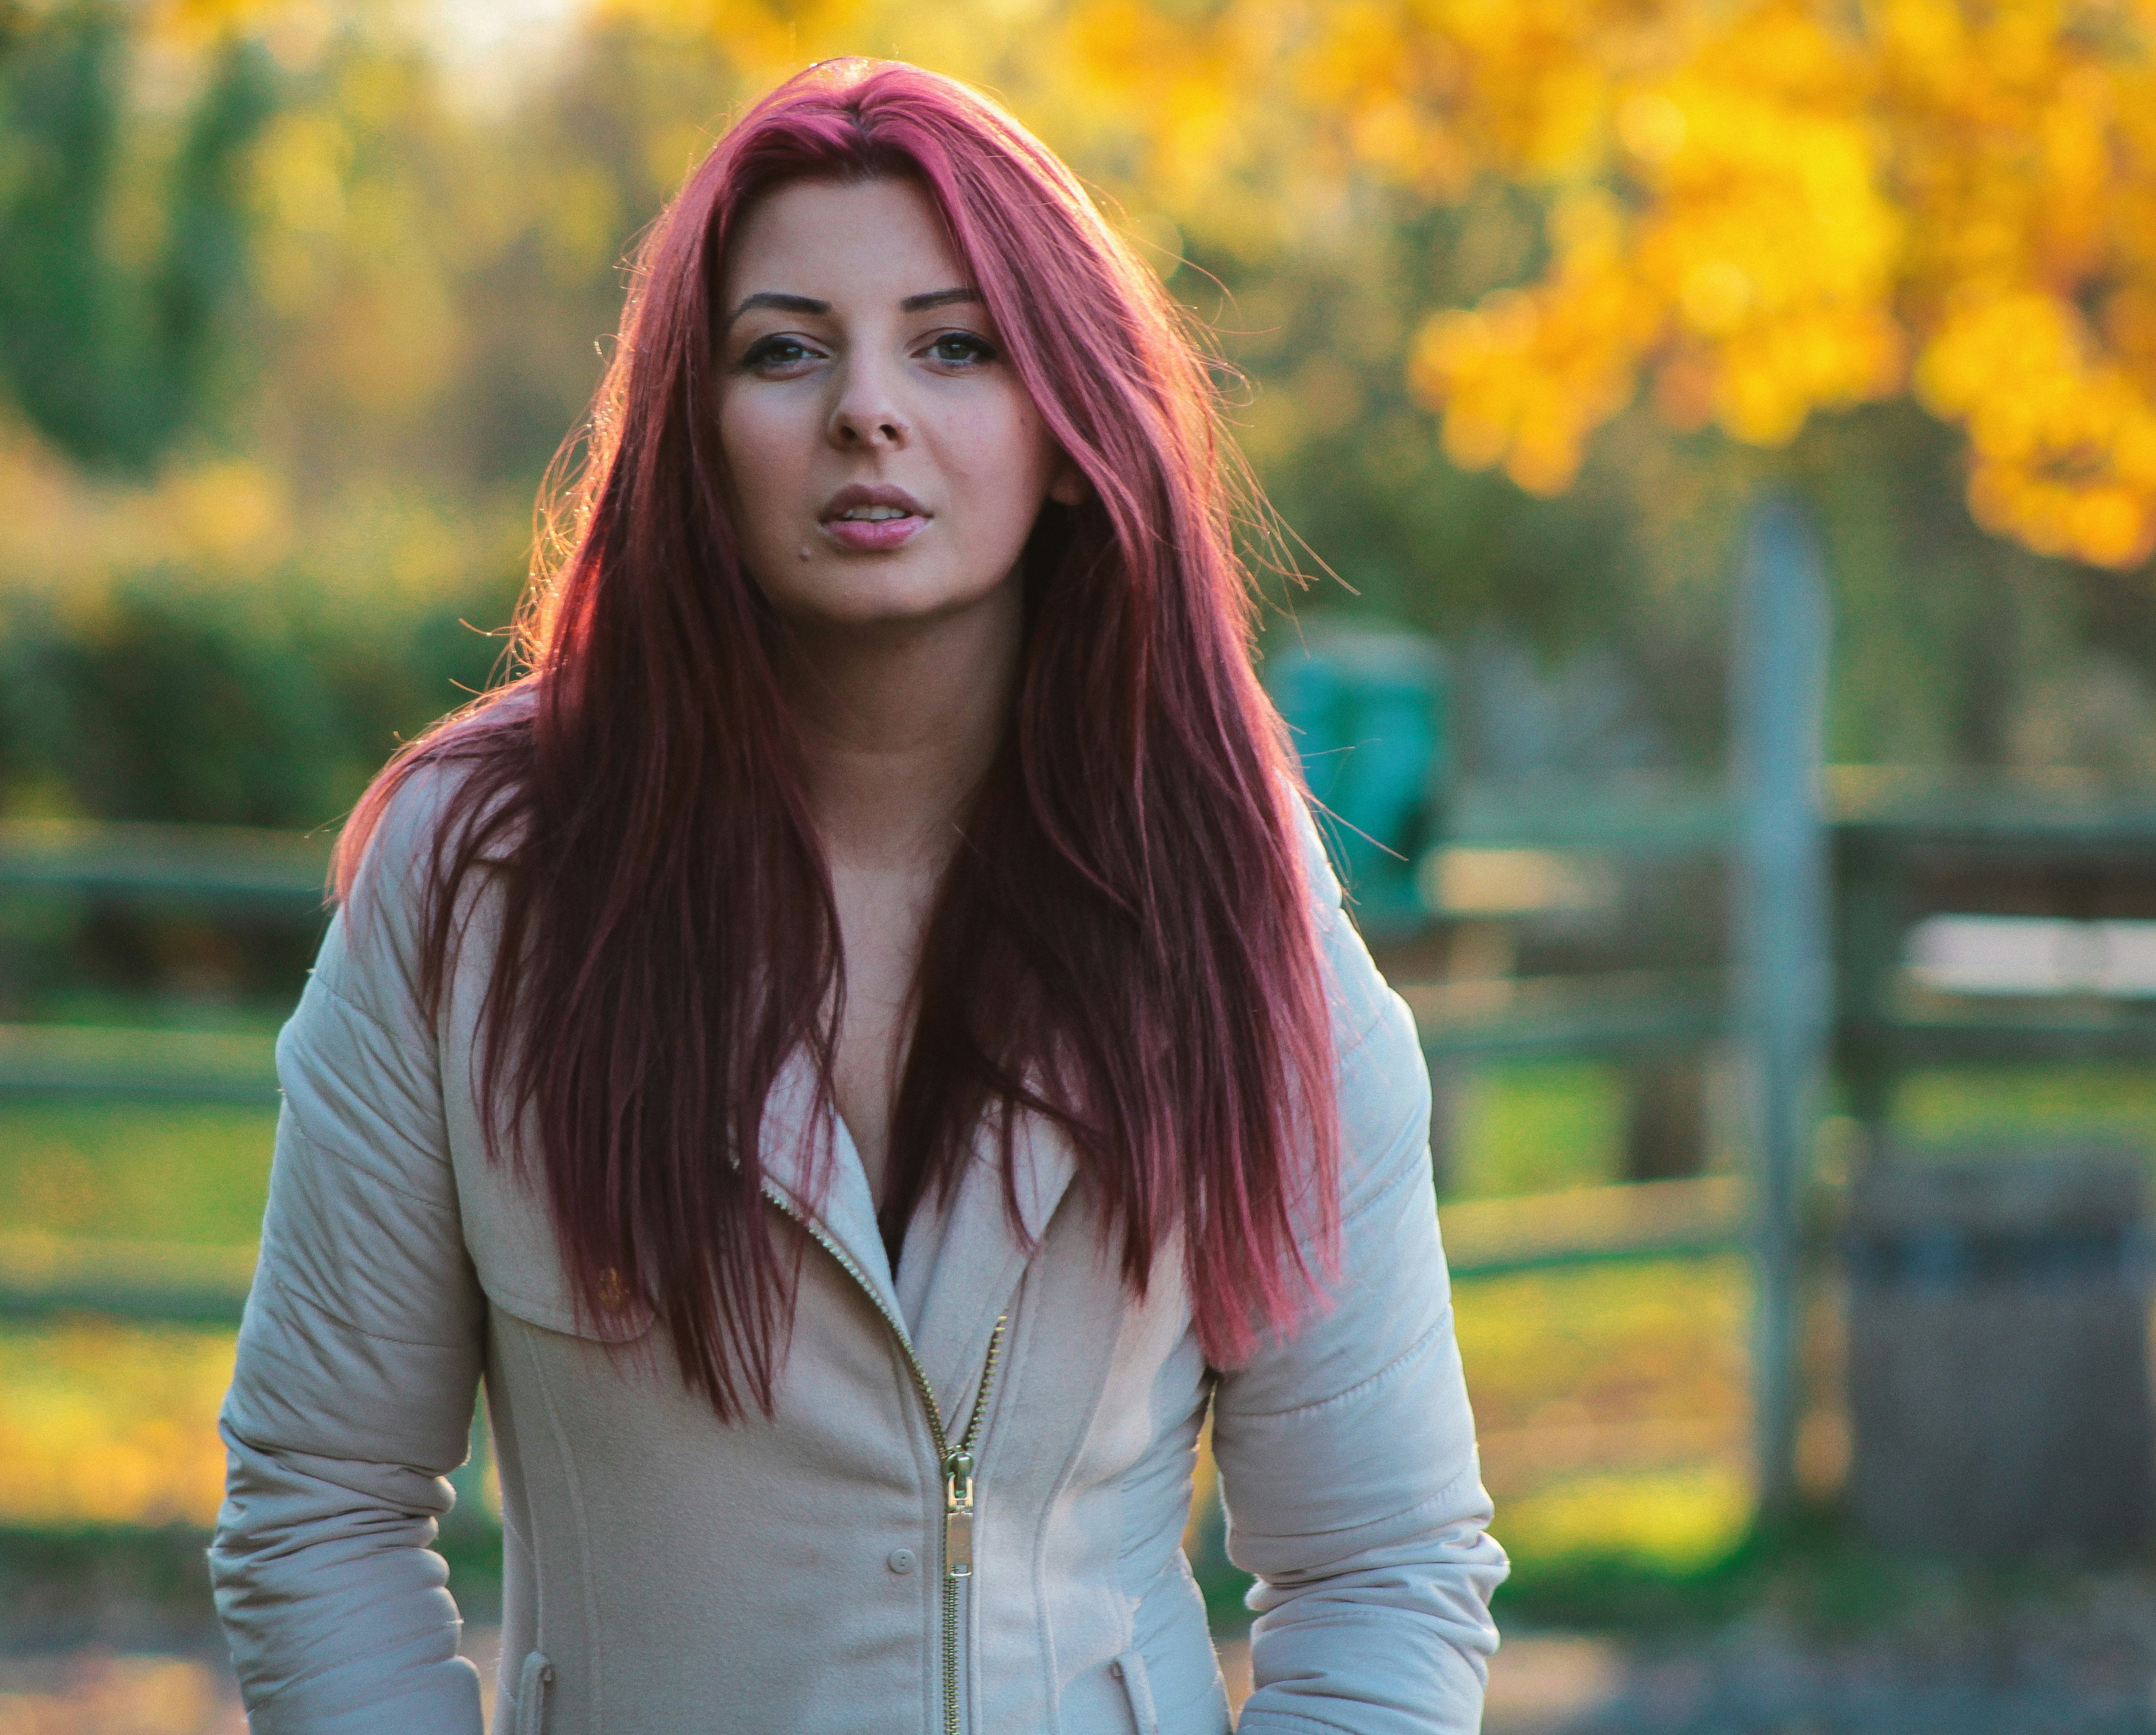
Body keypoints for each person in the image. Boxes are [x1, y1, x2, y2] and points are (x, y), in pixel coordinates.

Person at [209, 59, 1504, 1735]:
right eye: (785, 348)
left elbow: (1385, 1567)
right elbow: (319, 1504)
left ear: (1066, 426)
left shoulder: (1224, 889)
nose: (867, 410)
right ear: (693, 428)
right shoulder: (483, 881)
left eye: (955, 344)